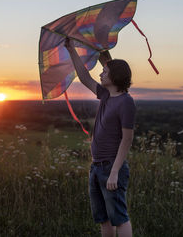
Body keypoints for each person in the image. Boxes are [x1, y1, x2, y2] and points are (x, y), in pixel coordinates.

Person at [65, 38, 136, 237]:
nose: (101, 73)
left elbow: (127, 140)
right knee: (103, 218)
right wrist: (71, 50)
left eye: (105, 72)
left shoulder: (126, 102)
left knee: (119, 217)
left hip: (112, 167)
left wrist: (114, 172)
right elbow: (84, 76)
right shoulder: (105, 95)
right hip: (96, 167)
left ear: (115, 76)